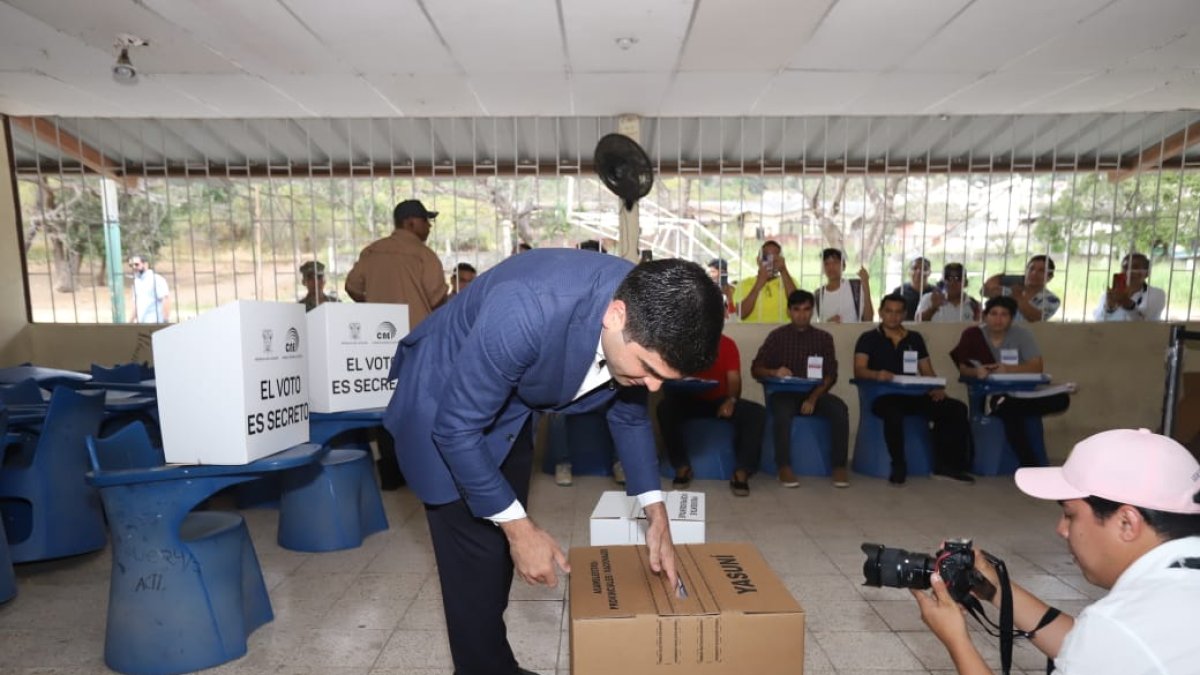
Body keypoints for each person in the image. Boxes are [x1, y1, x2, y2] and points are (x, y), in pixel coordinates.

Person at [383, 250, 724, 675]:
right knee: (476, 556)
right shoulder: (527, 308)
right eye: (648, 368)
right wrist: (520, 529)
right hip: (443, 404)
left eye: (664, 379)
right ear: (616, 315)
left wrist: (657, 514)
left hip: (513, 405)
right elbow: (456, 430)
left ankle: (491, 662)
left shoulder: (641, 302)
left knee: (498, 561)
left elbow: (629, 414)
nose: (652, 385)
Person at [912, 428, 1200, 675]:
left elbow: (1113, 638)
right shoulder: (1162, 603)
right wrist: (995, 588)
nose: (1061, 529)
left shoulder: (1120, 624)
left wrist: (956, 640)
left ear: (1127, 522)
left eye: (1070, 514)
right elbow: (1094, 649)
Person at [853, 294, 973, 485]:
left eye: (898, 312)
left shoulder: (915, 339)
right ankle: (898, 464)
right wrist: (876, 375)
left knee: (955, 408)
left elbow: (927, 371)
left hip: (913, 395)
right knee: (893, 412)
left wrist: (936, 387)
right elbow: (859, 370)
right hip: (882, 396)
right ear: (881, 313)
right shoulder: (868, 338)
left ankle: (946, 466)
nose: (893, 316)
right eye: (889, 311)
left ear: (905, 314)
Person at [950, 296, 1070, 467]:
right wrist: (977, 372)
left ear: (1012, 318)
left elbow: (1036, 366)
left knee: (1061, 399)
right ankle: (1031, 465)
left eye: (1004, 315)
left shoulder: (1022, 335)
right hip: (988, 393)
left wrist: (1009, 369)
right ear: (985, 316)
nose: (998, 319)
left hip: (1021, 393)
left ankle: (1006, 405)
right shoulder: (973, 335)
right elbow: (963, 369)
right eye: (993, 314)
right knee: (1011, 412)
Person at [751, 290, 851, 489]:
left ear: (812, 311)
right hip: (784, 393)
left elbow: (831, 374)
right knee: (781, 412)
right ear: (789, 311)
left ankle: (839, 466)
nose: (802, 315)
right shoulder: (777, 337)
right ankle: (784, 467)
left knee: (840, 409)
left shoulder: (824, 338)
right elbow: (756, 368)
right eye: (796, 310)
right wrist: (774, 371)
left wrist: (813, 398)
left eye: (806, 309)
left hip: (816, 393)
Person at [657, 333, 766, 496]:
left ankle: (742, 471)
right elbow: (671, 376)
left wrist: (731, 400)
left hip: (720, 401)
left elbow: (734, 379)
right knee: (665, 408)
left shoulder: (728, 344)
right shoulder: (683, 343)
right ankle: (682, 466)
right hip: (690, 399)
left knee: (756, 413)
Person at [345, 199, 449, 329]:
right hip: (415, 337)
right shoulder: (425, 256)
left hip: (378, 334)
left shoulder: (371, 252)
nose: (429, 226)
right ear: (410, 222)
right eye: (425, 220)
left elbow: (352, 288)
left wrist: (372, 306)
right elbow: (437, 300)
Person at [732, 240, 798, 323]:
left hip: (782, 333)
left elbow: (798, 308)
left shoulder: (789, 281)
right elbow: (741, 314)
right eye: (766, 258)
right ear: (758, 260)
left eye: (775, 258)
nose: (771, 262)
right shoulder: (744, 284)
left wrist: (783, 270)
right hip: (753, 333)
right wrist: (758, 284)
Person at [982, 254, 1060, 323]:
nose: (1034, 273)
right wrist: (1003, 278)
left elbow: (1036, 318)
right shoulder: (1010, 290)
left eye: (1041, 271)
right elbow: (985, 291)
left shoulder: (1051, 299)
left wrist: (1018, 297)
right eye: (1031, 269)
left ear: (1049, 277)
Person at [1093, 252, 1165, 321]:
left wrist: (1128, 304)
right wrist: (1109, 308)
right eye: (1125, 267)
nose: (1129, 271)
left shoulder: (1157, 294)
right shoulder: (1109, 295)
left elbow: (1145, 320)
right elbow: (1099, 320)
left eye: (1135, 267)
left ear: (1147, 273)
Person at [816, 247, 874, 323]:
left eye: (835, 262)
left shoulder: (856, 287)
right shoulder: (818, 295)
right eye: (826, 263)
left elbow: (868, 319)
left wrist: (866, 283)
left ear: (843, 266)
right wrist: (828, 324)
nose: (831, 267)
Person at [127, 255, 170, 323]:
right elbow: (136, 305)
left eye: (136, 264)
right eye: (131, 265)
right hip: (141, 323)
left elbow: (165, 300)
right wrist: (129, 323)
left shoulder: (156, 279)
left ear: (146, 264)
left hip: (155, 323)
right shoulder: (136, 282)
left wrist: (165, 320)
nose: (134, 267)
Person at [892, 256, 931, 320]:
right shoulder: (899, 292)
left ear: (929, 272)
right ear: (909, 272)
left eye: (924, 269)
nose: (918, 272)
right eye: (915, 268)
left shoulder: (935, 293)